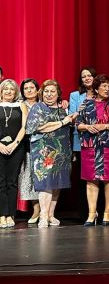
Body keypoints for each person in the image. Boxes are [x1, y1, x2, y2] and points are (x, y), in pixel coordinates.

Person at [76, 74, 109, 226]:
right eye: (104, 86)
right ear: (96, 88)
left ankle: (107, 212)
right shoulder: (86, 104)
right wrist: (86, 126)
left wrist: (105, 126)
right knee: (91, 179)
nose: (107, 89)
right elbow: (78, 123)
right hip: (90, 145)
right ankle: (92, 214)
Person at [26, 80, 76, 228]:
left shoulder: (62, 110)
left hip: (62, 151)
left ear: (58, 93)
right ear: (42, 93)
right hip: (44, 152)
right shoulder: (38, 107)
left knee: (57, 183)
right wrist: (62, 122)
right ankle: (42, 216)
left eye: (52, 91)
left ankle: (50, 215)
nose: (49, 94)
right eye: (46, 91)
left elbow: (69, 129)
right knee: (45, 183)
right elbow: (40, 127)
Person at [68, 67, 97, 218]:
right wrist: (79, 111)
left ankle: (99, 209)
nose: (86, 78)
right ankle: (84, 212)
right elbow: (71, 118)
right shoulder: (75, 95)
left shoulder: (106, 93)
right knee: (83, 177)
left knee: (99, 176)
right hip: (80, 141)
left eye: (89, 75)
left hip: (100, 141)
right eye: (84, 76)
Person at [0, 80, 27, 228]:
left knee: (12, 181)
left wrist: (14, 144)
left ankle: (10, 214)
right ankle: (1, 215)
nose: (9, 92)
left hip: (16, 148)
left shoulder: (21, 105)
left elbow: (24, 127)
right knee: (0, 182)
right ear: (1, 91)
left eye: (11, 89)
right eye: (6, 89)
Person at [18, 79, 40, 223]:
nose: (29, 90)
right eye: (26, 88)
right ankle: (36, 208)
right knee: (27, 178)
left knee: (40, 177)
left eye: (32, 87)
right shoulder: (19, 104)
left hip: (43, 146)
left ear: (38, 89)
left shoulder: (44, 104)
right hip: (25, 146)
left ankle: (41, 210)